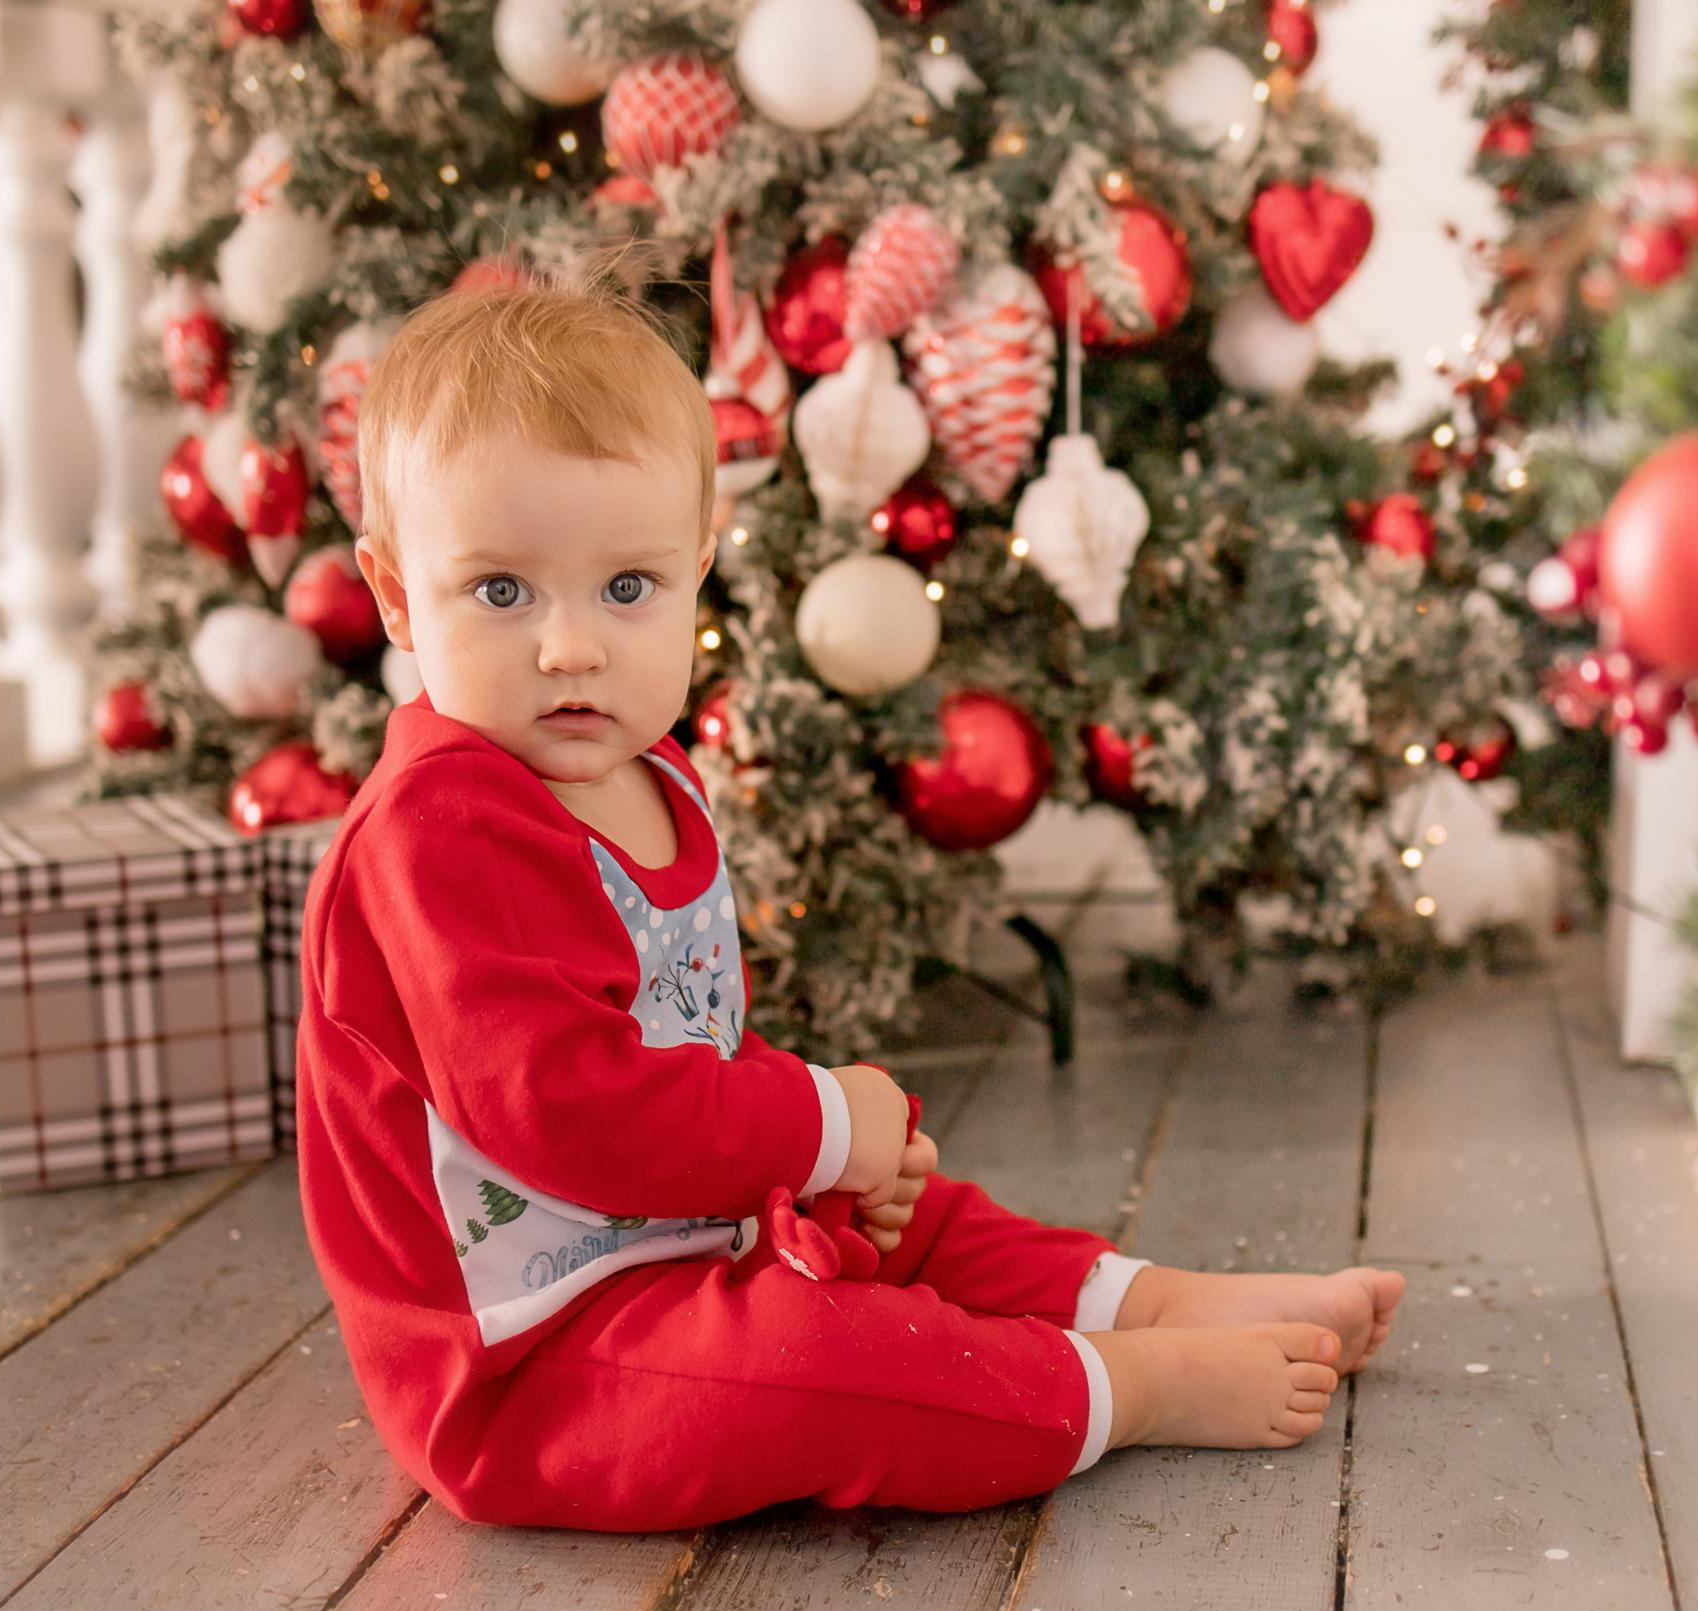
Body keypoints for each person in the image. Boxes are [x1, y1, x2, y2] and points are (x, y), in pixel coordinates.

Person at [293, 276, 1406, 1531]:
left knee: (911, 1219)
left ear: (695, 573)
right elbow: (571, 1110)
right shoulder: (439, 827)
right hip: (542, 1362)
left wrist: (827, 1161)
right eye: (501, 591)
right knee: (809, 1364)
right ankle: (1124, 1384)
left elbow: (683, 1045)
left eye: (627, 589)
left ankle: (1146, 1298)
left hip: (681, 1243)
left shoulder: (644, 774)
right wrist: (823, 1122)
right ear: (395, 596)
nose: (571, 648)